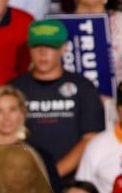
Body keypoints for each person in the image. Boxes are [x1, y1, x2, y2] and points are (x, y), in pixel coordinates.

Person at [8, 19, 105, 179]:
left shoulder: (83, 87)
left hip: (72, 182)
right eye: (37, 46)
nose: (43, 52)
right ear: (29, 49)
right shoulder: (13, 89)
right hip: (22, 179)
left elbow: (90, 138)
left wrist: (52, 174)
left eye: (51, 46)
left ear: (64, 48)